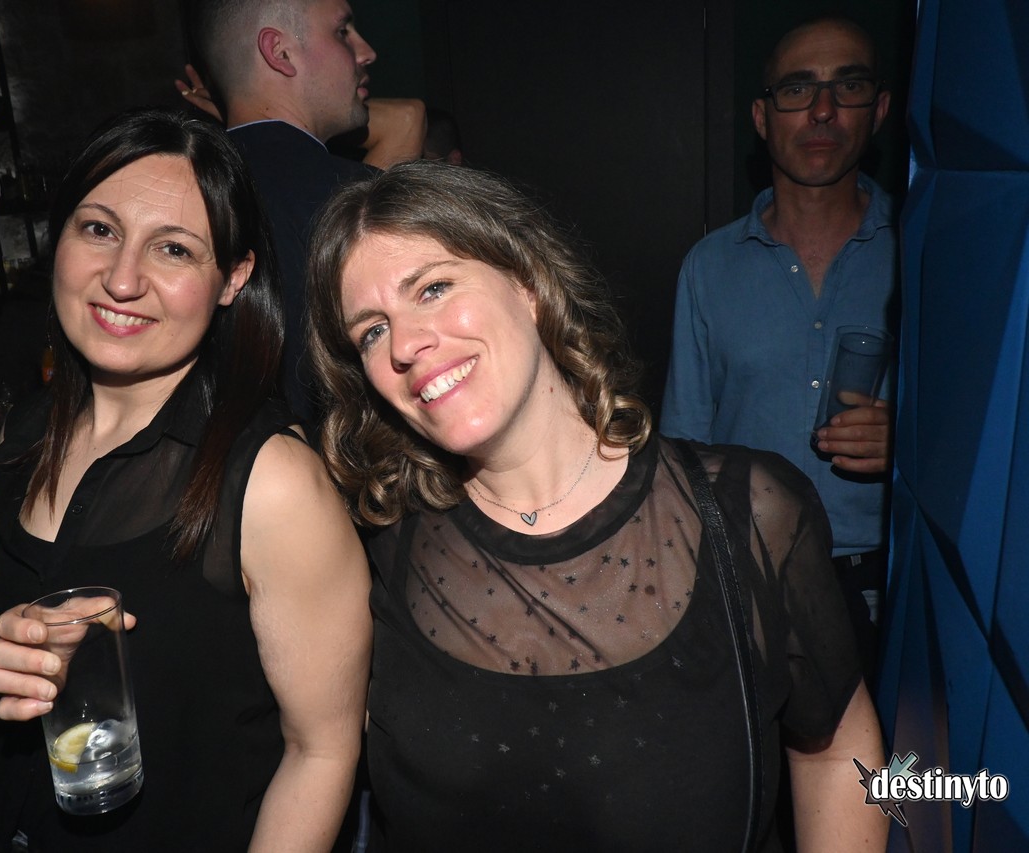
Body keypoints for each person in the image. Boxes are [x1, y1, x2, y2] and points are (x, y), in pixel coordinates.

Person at [304, 161, 888, 852]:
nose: (405, 345)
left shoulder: (749, 513)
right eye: (372, 331)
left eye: (433, 288)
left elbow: (834, 751)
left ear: (527, 284)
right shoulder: (375, 543)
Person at [0, 107, 371, 852]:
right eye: (98, 229)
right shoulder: (25, 434)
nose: (121, 279)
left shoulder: (271, 483)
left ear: (233, 279)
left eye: (173, 248)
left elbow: (322, 752)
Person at [661, 17, 897, 681]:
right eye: (798, 89)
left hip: (887, 581)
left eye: (847, 86)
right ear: (763, 118)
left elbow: (990, 440)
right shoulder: (710, 266)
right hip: (747, 576)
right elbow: (683, 450)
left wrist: (914, 446)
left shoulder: (927, 253)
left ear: (879, 110)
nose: (823, 109)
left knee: (890, 751)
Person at [183, 0, 425, 424]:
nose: (367, 52)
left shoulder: (182, 188)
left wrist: (236, 103)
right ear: (279, 52)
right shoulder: (353, 197)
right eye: (342, 31)